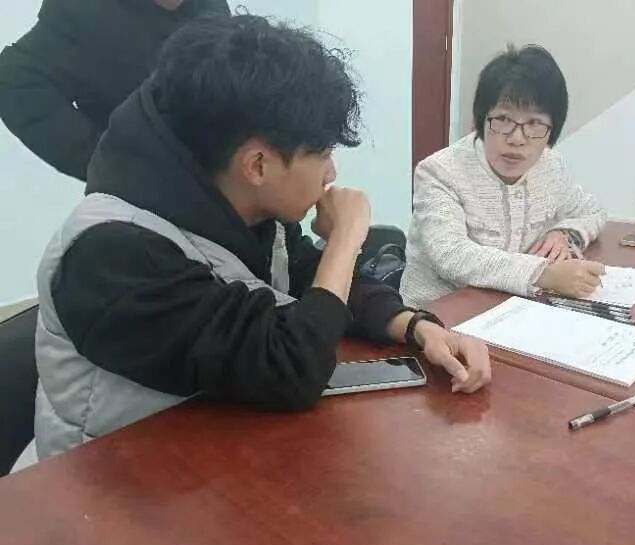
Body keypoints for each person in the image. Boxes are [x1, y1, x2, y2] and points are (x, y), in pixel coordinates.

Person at [32, 14, 491, 459]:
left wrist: (415, 326)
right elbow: (290, 368)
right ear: (257, 165)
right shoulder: (113, 255)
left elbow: (307, 278)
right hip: (109, 486)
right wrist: (347, 238)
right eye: (323, 154)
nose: (332, 173)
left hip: (214, 455)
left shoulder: (237, 199)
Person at [400, 45, 607, 310]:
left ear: (552, 130)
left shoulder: (550, 166)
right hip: (436, 316)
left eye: (534, 123)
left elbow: (592, 211)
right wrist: (543, 274)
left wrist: (563, 233)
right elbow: (451, 255)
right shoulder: (440, 172)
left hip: (513, 308)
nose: (517, 138)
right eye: (503, 119)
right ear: (481, 120)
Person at [0, 0, 230, 181]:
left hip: (227, 187)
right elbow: (14, 78)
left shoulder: (209, 6)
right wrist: (112, 163)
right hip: (152, 206)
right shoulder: (82, 11)